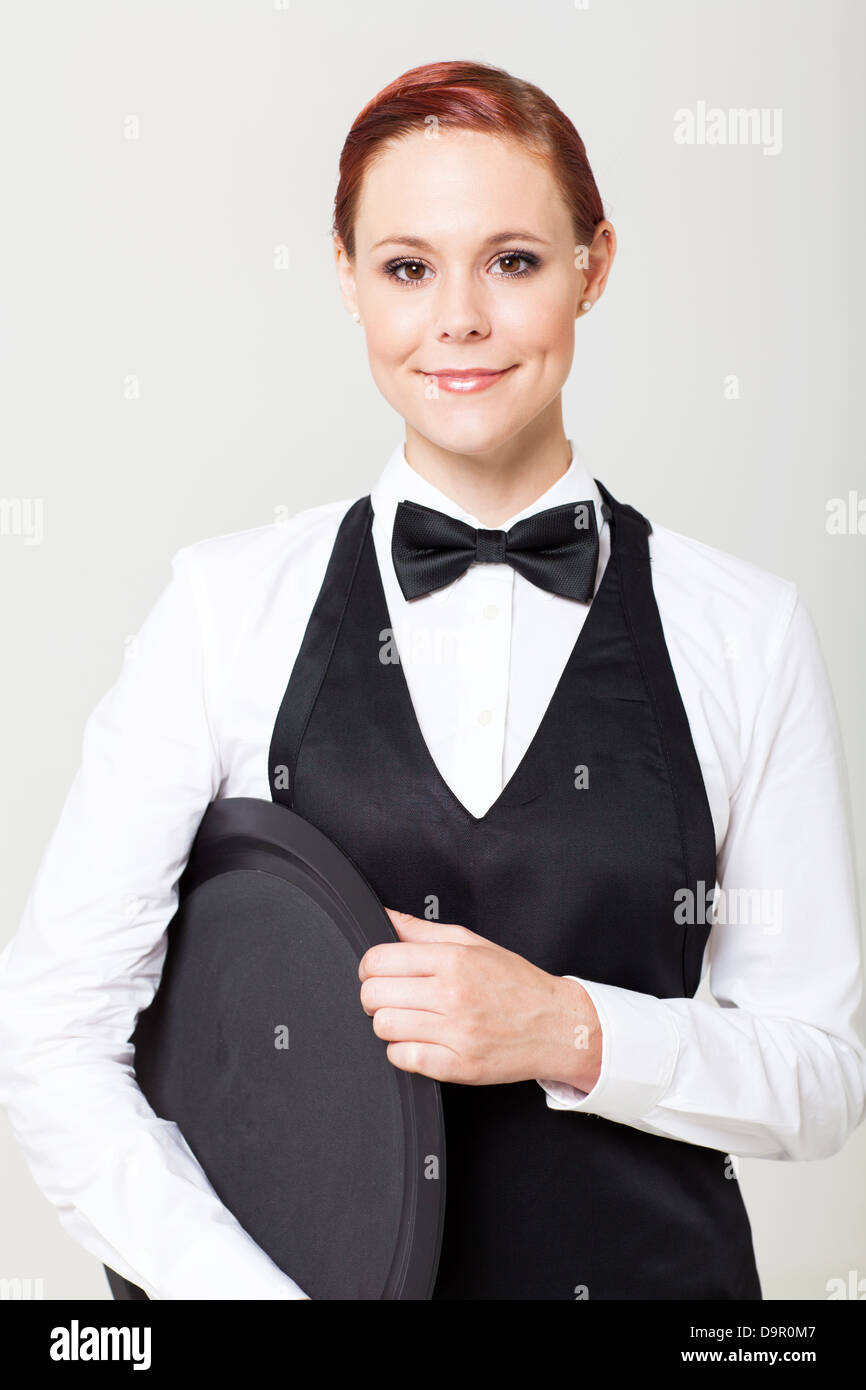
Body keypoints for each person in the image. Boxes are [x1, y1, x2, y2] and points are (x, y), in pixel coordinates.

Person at [1, 59, 864, 1301]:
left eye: (512, 260)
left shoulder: (746, 629)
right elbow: (55, 1029)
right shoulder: (222, 608)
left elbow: (820, 1074)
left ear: (592, 266)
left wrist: (565, 1026)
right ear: (348, 278)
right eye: (408, 267)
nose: (456, 317)